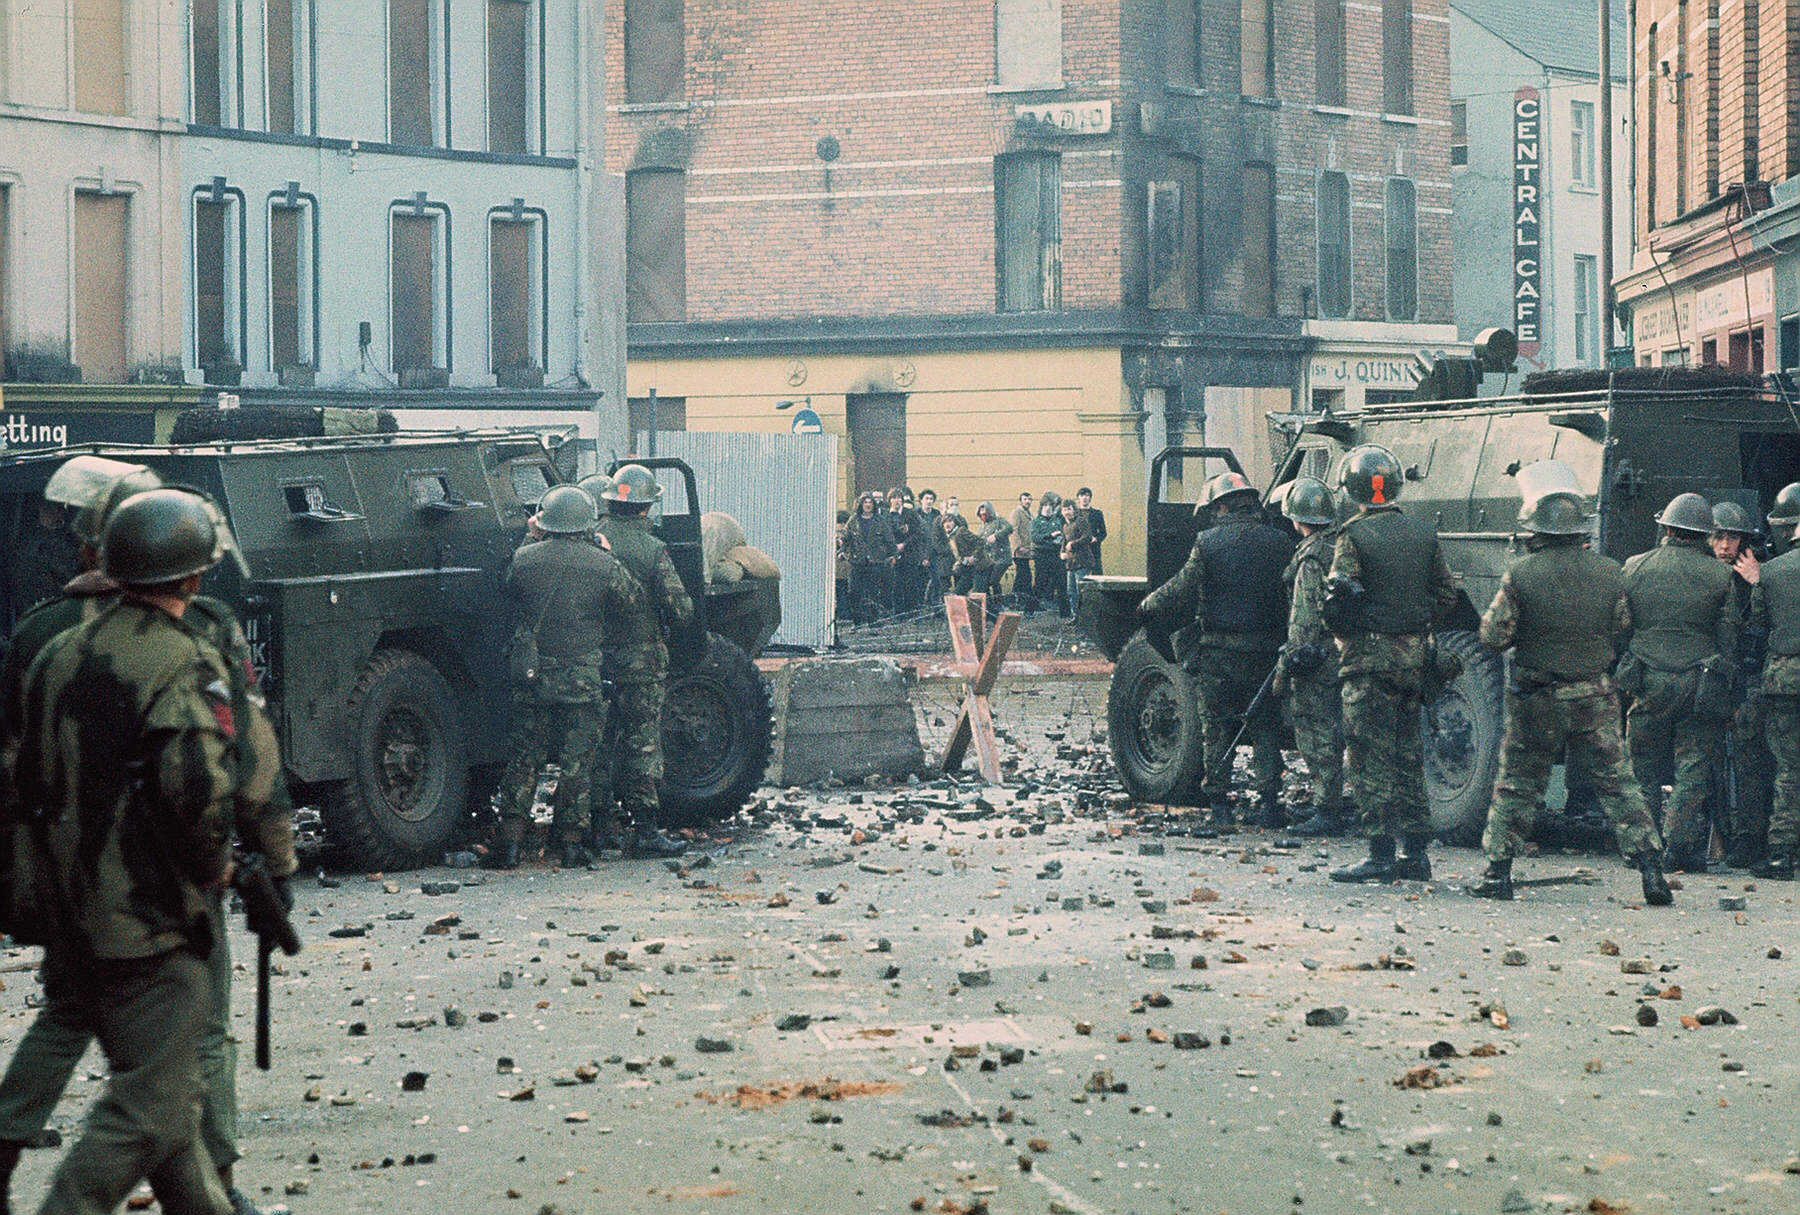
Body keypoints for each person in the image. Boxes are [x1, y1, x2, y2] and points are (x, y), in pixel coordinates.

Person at [0, 466, 294, 1215]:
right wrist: (240, 866)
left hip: (68, 900)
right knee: (166, 1085)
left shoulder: (48, 646)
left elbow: (21, 780)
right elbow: (208, 786)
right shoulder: (189, 649)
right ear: (194, 572)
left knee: (118, 1056)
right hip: (153, 909)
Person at [1466, 468, 1670, 904]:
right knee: (1618, 783)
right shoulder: (1611, 571)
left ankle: (1497, 873)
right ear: (1580, 531)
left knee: (1518, 783)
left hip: (1538, 697)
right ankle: (1653, 873)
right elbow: (1623, 626)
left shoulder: (1520, 574)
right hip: (1595, 694)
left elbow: (1492, 636)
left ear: (1537, 531)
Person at [490, 485, 643, 870]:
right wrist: (607, 555)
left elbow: (505, 588)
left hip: (534, 678)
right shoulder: (603, 564)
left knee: (525, 760)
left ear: (546, 521)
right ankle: (572, 846)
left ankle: (509, 845)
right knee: (578, 764)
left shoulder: (524, 559)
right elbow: (633, 601)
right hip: (582, 682)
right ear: (587, 524)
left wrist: (531, 537)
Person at [1325, 445, 1457, 882]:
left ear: (1352, 490)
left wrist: (1349, 631)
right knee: (1409, 755)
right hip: (1414, 660)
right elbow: (1446, 596)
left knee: (1367, 758)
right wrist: (1415, 627)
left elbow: (1339, 597)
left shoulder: (1353, 536)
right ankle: (1416, 854)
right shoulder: (1423, 533)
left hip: (1368, 662)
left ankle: (1380, 853)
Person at [1139, 471, 1294, 826]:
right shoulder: (1281, 544)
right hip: (1267, 654)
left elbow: (1180, 587)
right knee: (1264, 727)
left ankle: (1221, 809)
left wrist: (1148, 605)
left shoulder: (1207, 543)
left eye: (1214, 509)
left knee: (1217, 728)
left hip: (1218, 655)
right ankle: (1270, 806)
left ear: (1223, 506)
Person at [1620, 492, 1738, 874]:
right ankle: (1680, 848)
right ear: (1705, 534)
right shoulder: (1722, 576)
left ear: (1667, 527)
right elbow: (1730, 636)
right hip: (1698, 681)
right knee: (1693, 765)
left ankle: (1642, 847)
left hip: (1647, 679)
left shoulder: (1635, 567)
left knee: (1643, 767)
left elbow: (1620, 625)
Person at [595, 465, 696, 860]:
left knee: (599, 743)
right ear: (644, 507)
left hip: (595, 658)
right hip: (641, 662)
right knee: (642, 744)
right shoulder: (653, 549)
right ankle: (646, 831)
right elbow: (682, 609)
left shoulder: (590, 539)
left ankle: (597, 830)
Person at [1275, 477, 1348, 837]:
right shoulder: (1338, 549)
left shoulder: (1310, 559)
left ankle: (1327, 810)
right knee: (1334, 730)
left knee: (1315, 733)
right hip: (1338, 653)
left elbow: (1302, 617)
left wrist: (1292, 660)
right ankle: (1330, 804)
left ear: (1296, 520)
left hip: (1315, 658)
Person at [1708, 501, 1772, 869]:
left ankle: (1749, 838)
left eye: (1732, 537)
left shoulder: (1757, 576)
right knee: (1710, 764)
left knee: (1749, 760)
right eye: (1718, 536)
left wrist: (1758, 582)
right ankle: (1717, 834)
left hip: (1749, 680)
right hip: (1712, 678)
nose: (1724, 546)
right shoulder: (1702, 576)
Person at [1748, 482, 1800, 879]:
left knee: (1789, 770)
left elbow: (1757, 626)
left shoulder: (1773, 573)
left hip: (1785, 681)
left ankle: (1781, 856)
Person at [844, 492, 896, 624]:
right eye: (865, 503)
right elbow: (846, 539)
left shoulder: (881, 521)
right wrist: (842, 551)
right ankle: (857, 622)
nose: (867, 505)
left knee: (873, 593)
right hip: (857, 561)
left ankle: (873, 621)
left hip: (875, 561)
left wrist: (892, 555)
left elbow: (889, 540)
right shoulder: (853, 520)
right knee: (854, 592)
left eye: (870, 503)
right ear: (861, 504)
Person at [1031, 493, 1068, 618]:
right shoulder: (1036, 522)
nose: (1048, 508)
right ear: (1041, 507)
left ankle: (1065, 613)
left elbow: (1064, 534)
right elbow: (1035, 537)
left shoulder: (1057, 520)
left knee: (1062, 583)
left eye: (1050, 506)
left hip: (1056, 554)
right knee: (1040, 584)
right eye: (1045, 505)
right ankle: (1029, 610)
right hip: (1042, 555)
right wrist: (1050, 536)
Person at [886, 488, 921, 613]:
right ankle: (898, 611)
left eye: (899, 498)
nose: (897, 501)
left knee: (910, 584)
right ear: (890, 500)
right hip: (892, 555)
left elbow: (918, 533)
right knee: (895, 584)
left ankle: (912, 611)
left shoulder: (910, 513)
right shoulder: (886, 515)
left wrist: (905, 544)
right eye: (894, 498)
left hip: (908, 553)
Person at [1060, 500, 1095, 619]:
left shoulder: (1081, 521)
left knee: (1081, 591)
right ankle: (1076, 616)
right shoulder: (1065, 526)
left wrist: (1073, 544)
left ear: (1074, 510)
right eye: (1064, 510)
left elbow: (1088, 537)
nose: (1067, 512)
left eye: (1069, 509)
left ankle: (1085, 617)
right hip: (1071, 563)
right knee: (1071, 591)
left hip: (1082, 562)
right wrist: (1062, 553)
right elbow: (1064, 542)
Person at [916, 490, 949, 605]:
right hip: (919, 552)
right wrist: (922, 557)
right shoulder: (916, 514)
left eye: (931, 499)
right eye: (926, 498)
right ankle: (919, 606)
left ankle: (934, 605)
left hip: (934, 552)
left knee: (936, 580)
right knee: (920, 582)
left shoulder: (936, 515)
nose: (929, 501)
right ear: (921, 500)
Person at [944, 513, 990, 594]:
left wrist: (974, 556)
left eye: (950, 521)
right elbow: (961, 555)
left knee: (978, 594)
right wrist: (958, 562)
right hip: (969, 570)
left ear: (955, 523)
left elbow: (981, 542)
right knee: (958, 593)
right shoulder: (950, 537)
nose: (947, 524)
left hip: (979, 567)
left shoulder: (961, 531)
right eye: (944, 522)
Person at [1008, 492, 1035, 612]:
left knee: (1022, 576)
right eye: (1025, 499)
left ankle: (1018, 601)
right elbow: (1013, 531)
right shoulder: (1016, 513)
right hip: (1019, 552)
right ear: (1020, 501)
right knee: (1025, 575)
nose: (1027, 502)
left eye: (1029, 499)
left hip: (1027, 551)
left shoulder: (1030, 515)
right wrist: (1018, 547)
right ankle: (1017, 601)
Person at [975, 503, 1012, 590]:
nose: (983, 515)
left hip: (1002, 558)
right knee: (986, 582)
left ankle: (997, 599)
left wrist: (996, 536)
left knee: (993, 580)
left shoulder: (999, 521)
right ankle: (994, 600)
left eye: (985, 512)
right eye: (981, 513)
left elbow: (1009, 528)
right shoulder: (981, 528)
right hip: (989, 559)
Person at [1075, 487, 1108, 575]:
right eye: (1082, 495)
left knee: (1097, 575)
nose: (1084, 498)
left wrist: (1096, 539)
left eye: (1087, 495)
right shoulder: (1074, 514)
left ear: (1090, 498)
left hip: (1094, 549)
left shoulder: (1097, 513)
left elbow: (1103, 532)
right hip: (1079, 549)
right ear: (1078, 498)